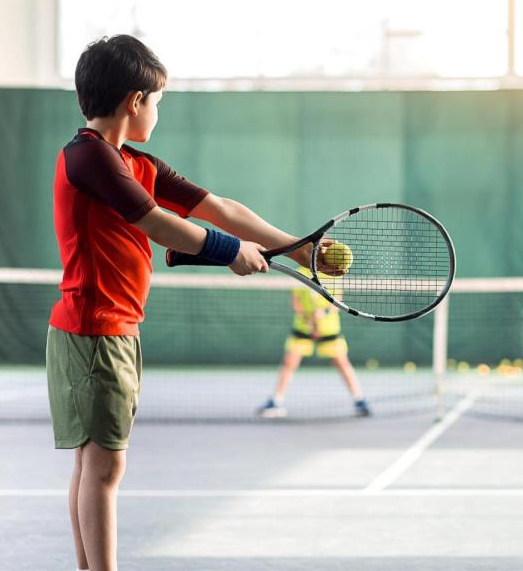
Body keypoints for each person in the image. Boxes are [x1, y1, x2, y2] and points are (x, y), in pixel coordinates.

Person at [46, 35, 331, 571]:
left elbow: (218, 207)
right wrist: (229, 253)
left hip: (109, 328)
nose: (158, 110)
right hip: (93, 330)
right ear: (135, 101)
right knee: (103, 470)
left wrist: (299, 245)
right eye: (157, 100)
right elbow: (158, 224)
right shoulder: (89, 156)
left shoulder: (134, 162)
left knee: (94, 467)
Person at [258, 269, 371, 418]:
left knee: (342, 363)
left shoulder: (333, 274)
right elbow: (296, 302)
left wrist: (322, 314)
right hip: (304, 327)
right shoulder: (299, 272)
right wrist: (310, 322)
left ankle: (359, 399)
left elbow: (337, 300)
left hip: (328, 328)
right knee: (289, 362)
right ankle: (276, 401)